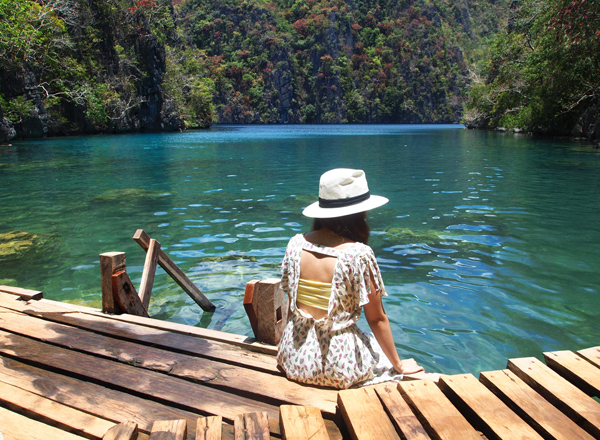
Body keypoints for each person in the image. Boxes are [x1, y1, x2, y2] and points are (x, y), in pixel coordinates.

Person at [277, 168, 424, 389]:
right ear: (359, 213)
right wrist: (399, 365)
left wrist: (292, 347)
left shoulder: (295, 245)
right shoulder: (358, 255)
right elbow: (376, 319)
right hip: (337, 367)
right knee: (379, 354)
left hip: (294, 357)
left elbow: (292, 306)